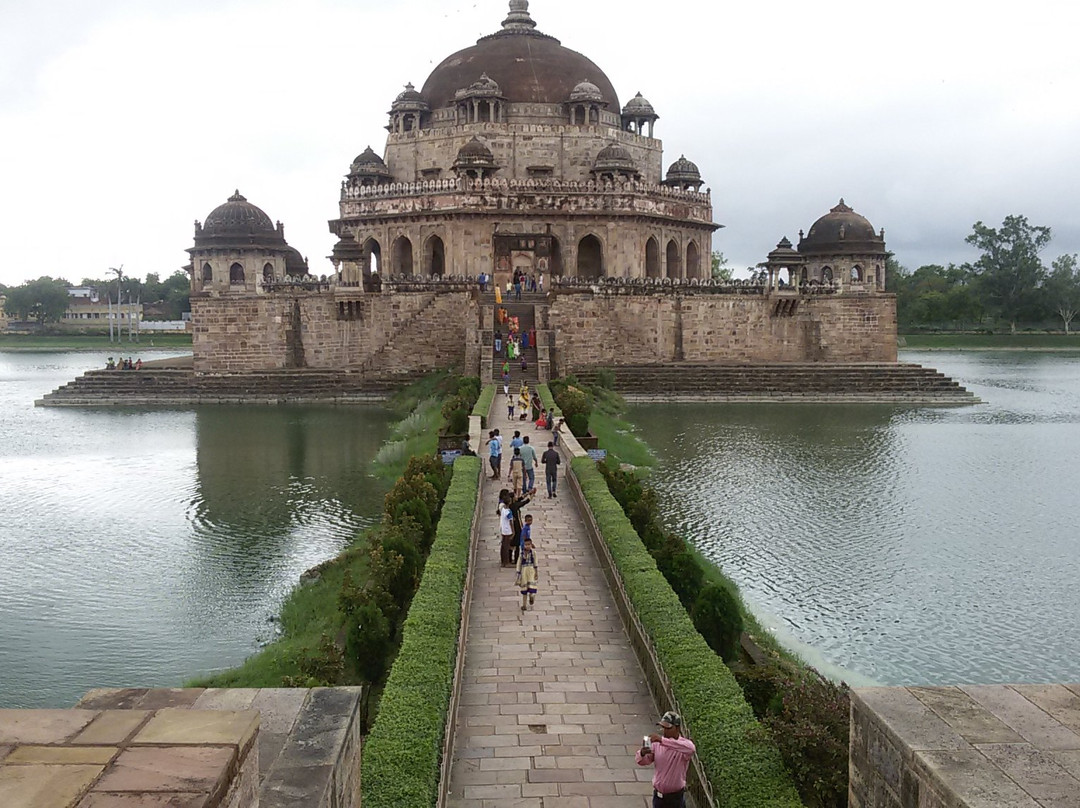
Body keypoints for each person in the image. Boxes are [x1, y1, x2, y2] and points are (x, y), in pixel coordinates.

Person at [635, 711, 696, 808]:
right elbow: (643, 761)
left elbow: (691, 748)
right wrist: (642, 753)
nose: (665, 731)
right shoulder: (657, 744)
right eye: (663, 728)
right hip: (659, 797)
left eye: (668, 728)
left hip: (675, 798)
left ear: (677, 728)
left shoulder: (682, 745)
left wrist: (662, 740)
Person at [515, 534, 538, 612]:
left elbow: (535, 563)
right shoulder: (522, 554)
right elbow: (519, 563)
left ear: (531, 545)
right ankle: (524, 605)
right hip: (524, 572)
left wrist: (536, 572)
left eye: (529, 544)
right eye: (526, 545)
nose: (527, 546)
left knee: (532, 586)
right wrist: (518, 572)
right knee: (524, 589)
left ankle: (532, 597)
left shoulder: (533, 553)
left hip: (531, 571)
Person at [497, 490, 515, 568]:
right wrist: (513, 531)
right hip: (508, 530)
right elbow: (510, 522)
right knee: (507, 546)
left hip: (503, 529)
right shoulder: (508, 511)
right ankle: (507, 562)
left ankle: (503, 561)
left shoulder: (503, 509)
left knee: (503, 545)